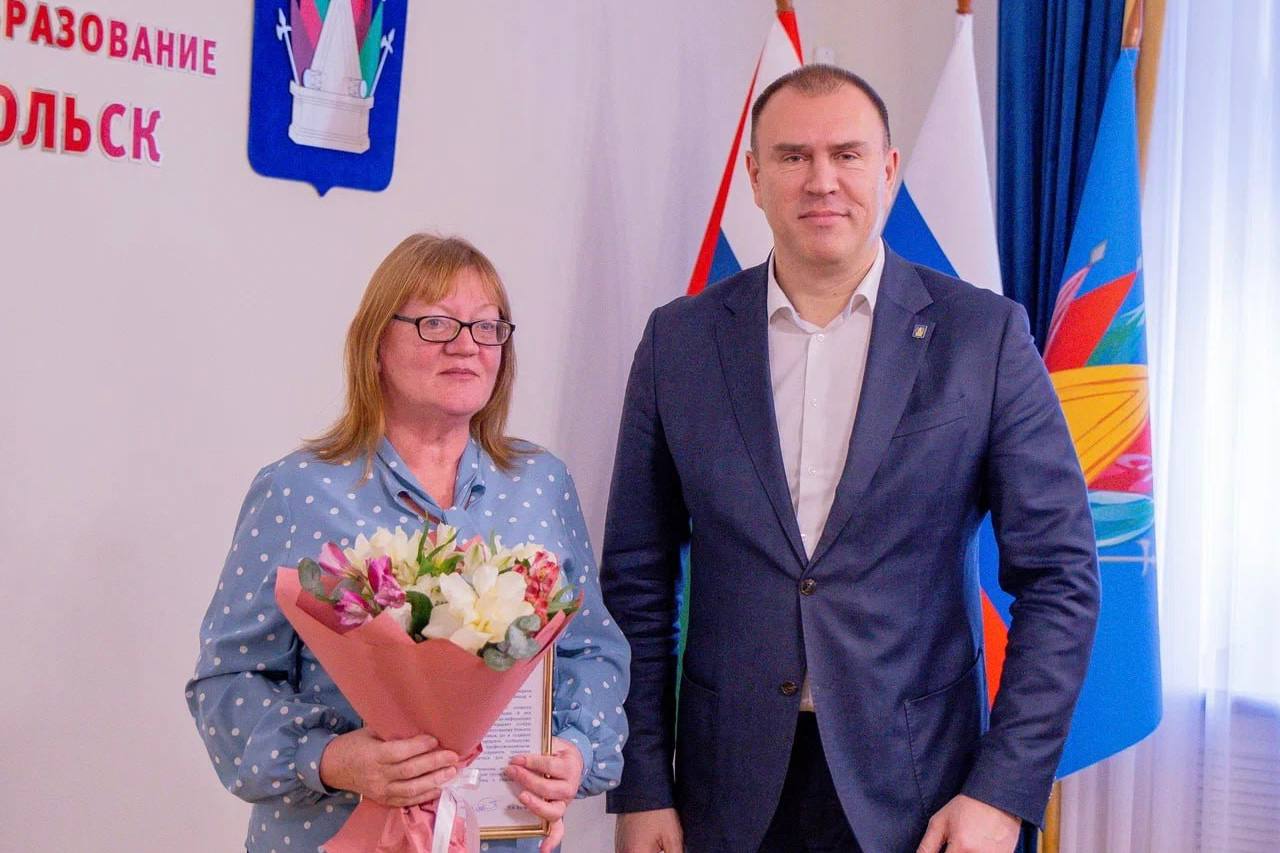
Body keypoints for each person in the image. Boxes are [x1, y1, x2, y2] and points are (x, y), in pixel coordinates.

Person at [601, 65, 1099, 853]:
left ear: (889, 170)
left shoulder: (984, 338)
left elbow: (1060, 576)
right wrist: (641, 785)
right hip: (722, 796)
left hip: (924, 796)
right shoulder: (679, 342)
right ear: (755, 177)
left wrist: (1001, 792)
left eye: (847, 154)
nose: (821, 180)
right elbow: (636, 577)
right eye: (793, 156)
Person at [186, 234, 630, 853]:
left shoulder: (541, 483)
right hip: (336, 836)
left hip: (503, 838)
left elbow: (591, 650)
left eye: (487, 327)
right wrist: (332, 759)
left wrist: (575, 751)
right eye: (435, 323)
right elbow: (228, 680)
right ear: (375, 345)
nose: (466, 345)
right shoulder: (298, 490)